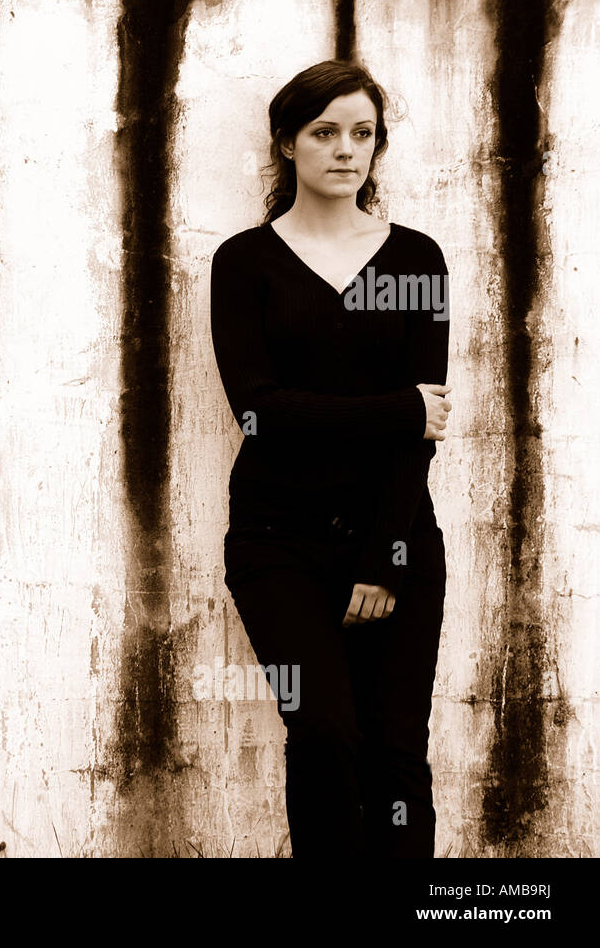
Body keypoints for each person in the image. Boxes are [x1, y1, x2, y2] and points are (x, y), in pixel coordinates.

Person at [209, 59, 453, 857]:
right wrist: (401, 411)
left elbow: (419, 447)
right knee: (319, 732)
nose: (346, 150)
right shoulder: (245, 264)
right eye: (324, 133)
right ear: (287, 143)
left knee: (393, 754)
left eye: (363, 133)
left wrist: (385, 561)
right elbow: (259, 411)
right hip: (274, 544)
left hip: (396, 538)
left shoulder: (415, 261)